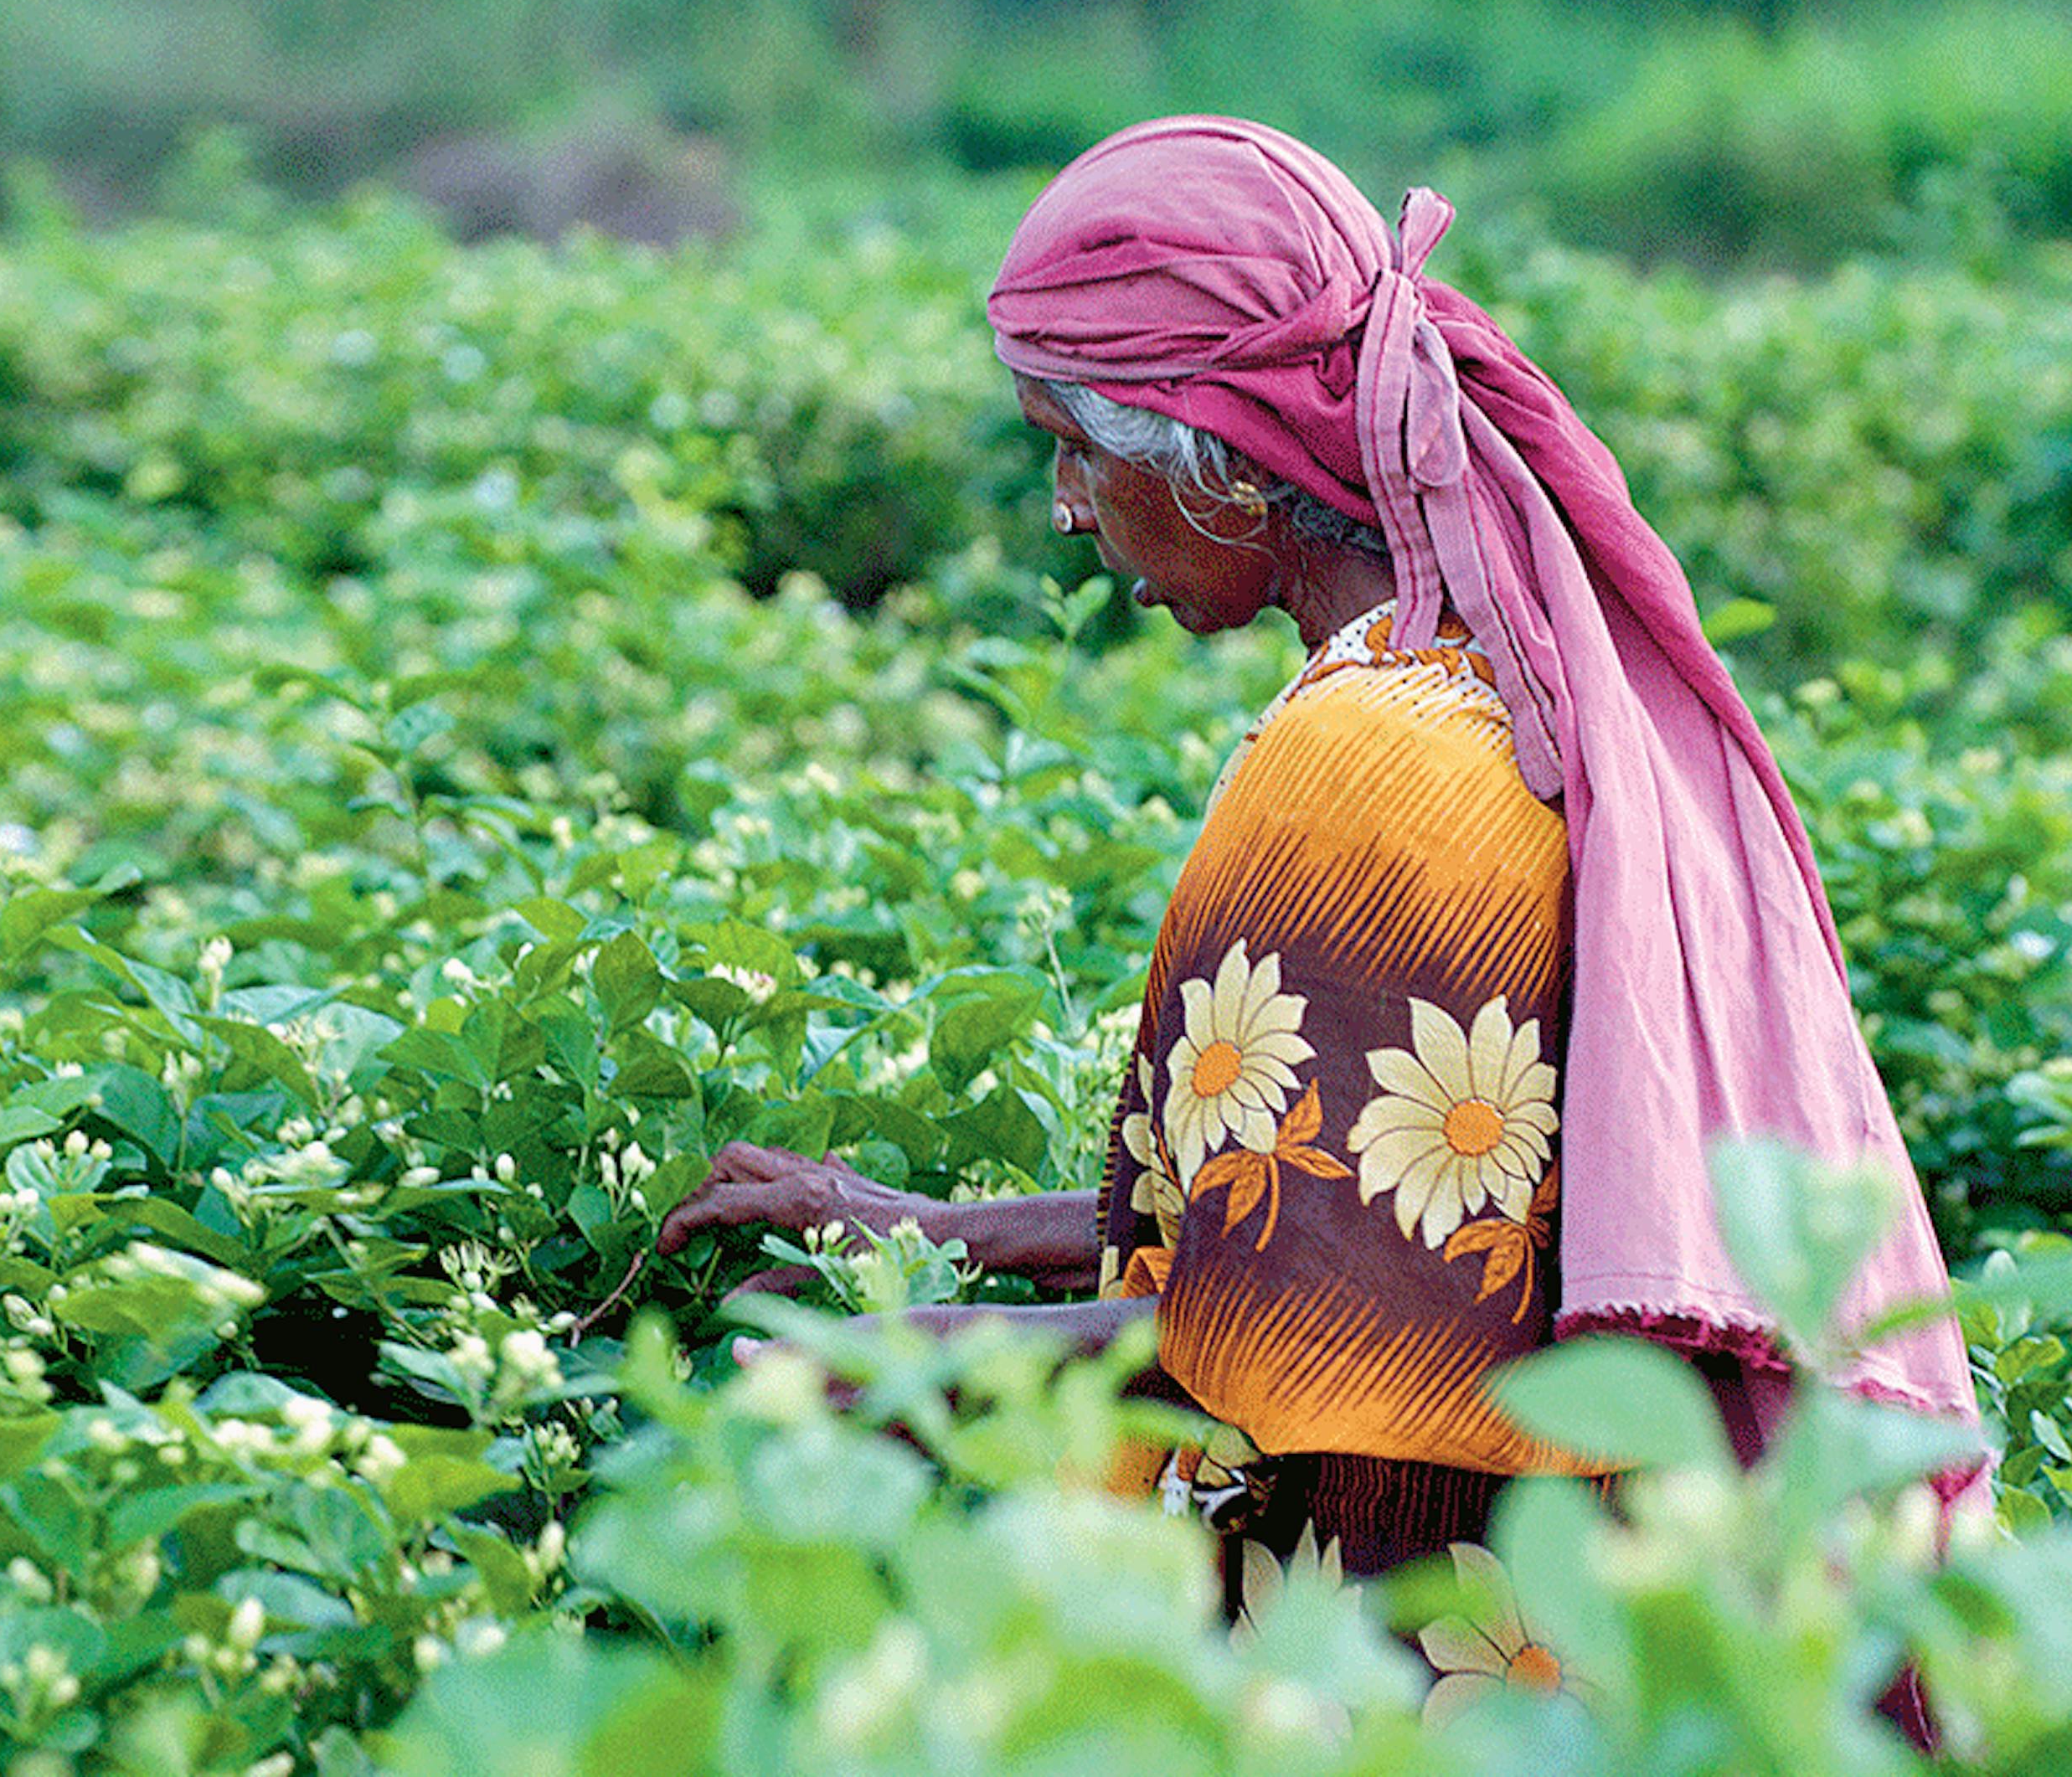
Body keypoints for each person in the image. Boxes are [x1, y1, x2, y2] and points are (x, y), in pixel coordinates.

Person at [657, 114, 1984, 1593]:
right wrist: (929, 1230)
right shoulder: (1492, 672)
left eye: (1078, 450)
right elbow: (1329, 1202)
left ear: (1222, 458)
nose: (1066, 507)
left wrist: (892, 1355)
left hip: (1428, 1641)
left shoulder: (1374, 764)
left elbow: (1290, 1327)